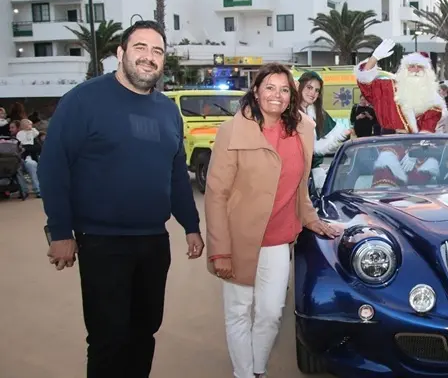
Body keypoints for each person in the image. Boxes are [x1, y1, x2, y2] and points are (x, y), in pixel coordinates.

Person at [38, 20, 204, 378]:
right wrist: (61, 232)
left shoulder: (166, 110)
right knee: (108, 338)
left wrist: (191, 225)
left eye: (157, 51)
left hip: (153, 241)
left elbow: (176, 174)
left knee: (144, 332)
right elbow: (53, 169)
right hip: (101, 242)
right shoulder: (82, 101)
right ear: (120, 54)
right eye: (140, 48)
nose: (149, 57)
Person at [204, 63, 341, 378]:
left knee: (271, 314)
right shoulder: (232, 130)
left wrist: (312, 219)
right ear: (256, 90)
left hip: (279, 238)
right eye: (269, 87)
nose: (276, 95)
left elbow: (300, 187)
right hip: (238, 239)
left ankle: (258, 368)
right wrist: (219, 250)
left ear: (292, 95)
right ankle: (245, 374)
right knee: (239, 312)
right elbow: (215, 195)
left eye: (284, 89)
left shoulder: (304, 129)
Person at [355, 39, 447, 134]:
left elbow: (428, 128)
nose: (416, 70)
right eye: (411, 66)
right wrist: (374, 58)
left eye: (420, 66)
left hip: (418, 143)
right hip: (389, 142)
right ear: (404, 70)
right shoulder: (388, 87)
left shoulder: (433, 100)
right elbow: (365, 83)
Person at [296, 71, 351, 188]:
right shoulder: (288, 113)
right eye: (309, 87)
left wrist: (343, 135)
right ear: (300, 87)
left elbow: (339, 134)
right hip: (292, 174)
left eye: (317, 90)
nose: (313, 93)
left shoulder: (319, 114)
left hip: (313, 176)